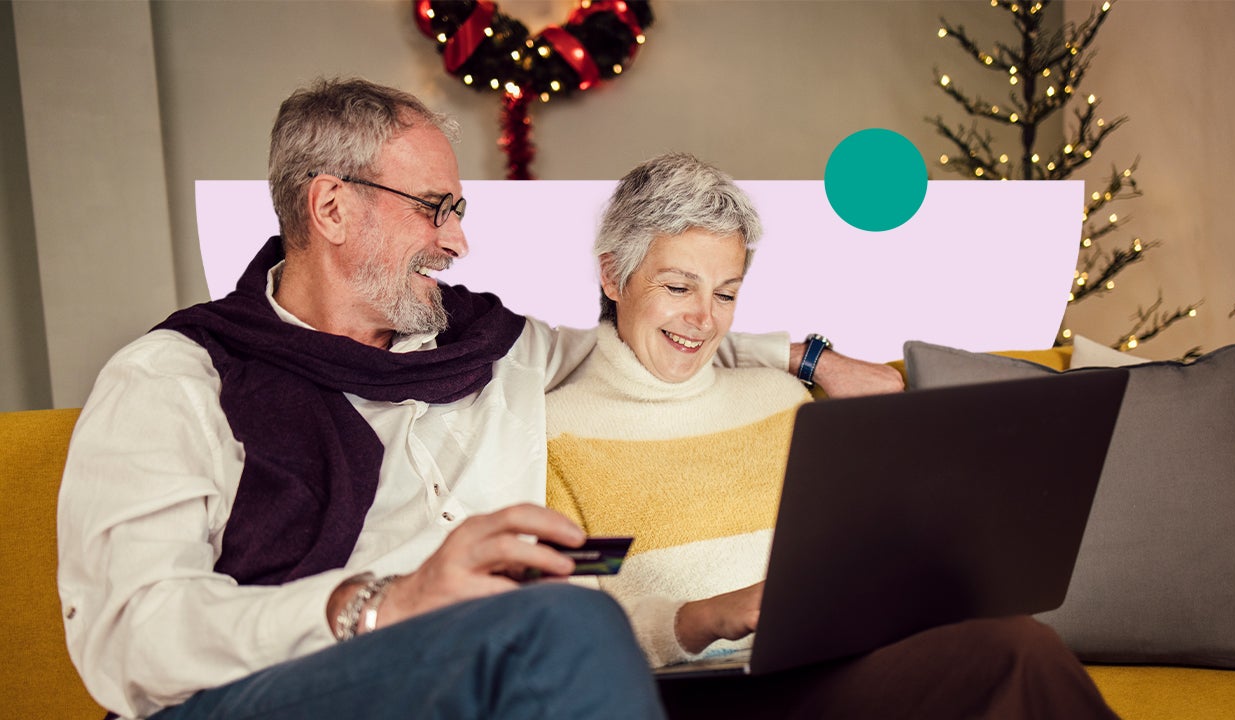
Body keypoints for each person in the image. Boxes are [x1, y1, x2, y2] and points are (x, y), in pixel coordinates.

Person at [56, 78, 867, 720]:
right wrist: (386, 603)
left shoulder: (492, 346)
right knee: (565, 623)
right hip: (269, 690)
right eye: (433, 210)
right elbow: (129, 637)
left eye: (458, 211)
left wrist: (810, 357)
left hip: (485, 678)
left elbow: (651, 334)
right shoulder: (175, 377)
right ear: (332, 207)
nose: (457, 241)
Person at [545, 152, 1120, 719]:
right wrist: (712, 615)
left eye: (725, 292)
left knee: (1017, 647)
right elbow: (575, 632)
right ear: (612, 276)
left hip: (829, 667)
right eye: (677, 287)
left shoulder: (780, 401)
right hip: (691, 692)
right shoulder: (557, 435)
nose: (704, 318)